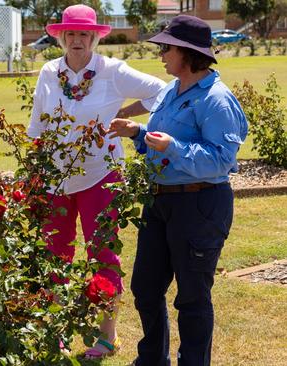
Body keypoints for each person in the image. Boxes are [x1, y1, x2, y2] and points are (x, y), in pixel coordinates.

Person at [27, 4, 167, 359]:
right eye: (70, 34)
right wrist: (35, 170)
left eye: (84, 34)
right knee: (54, 255)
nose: (77, 40)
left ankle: (107, 336)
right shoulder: (49, 71)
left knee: (102, 253)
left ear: (94, 37)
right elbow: (38, 124)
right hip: (55, 178)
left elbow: (162, 91)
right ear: (60, 37)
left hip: (100, 177)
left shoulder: (112, 71)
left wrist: (124, 114)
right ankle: (54, 332)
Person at [108, 15, 248, 366]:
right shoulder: (172, 91)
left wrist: (171, 147)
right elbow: (163, 142)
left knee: (192, 297)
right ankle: (153, 359)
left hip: (200, 204)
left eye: (166, 48)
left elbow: (221, 160)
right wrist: (138, 134)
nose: (161, 55)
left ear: (187, 52)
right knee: (146, 288)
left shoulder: (217, 99)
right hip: (160, 203)